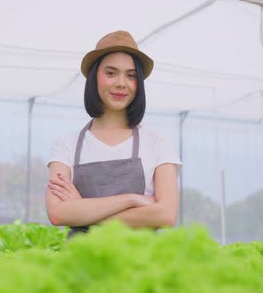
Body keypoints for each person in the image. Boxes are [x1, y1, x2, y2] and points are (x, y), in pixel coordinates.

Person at [45, 30, 181, 238]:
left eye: (131, 75)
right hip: (82, 264)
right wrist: (131, 200)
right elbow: (57, 213)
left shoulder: (158, 142)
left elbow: (166, 215)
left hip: (142, 265)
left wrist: (82, 210)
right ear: (94, 78)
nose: (121, 83)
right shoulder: (66, 144)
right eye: (110, 73)